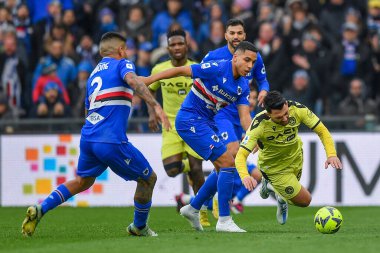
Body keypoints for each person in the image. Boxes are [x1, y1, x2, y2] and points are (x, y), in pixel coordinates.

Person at [21, 32, 170, 237]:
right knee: (148, 178)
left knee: (83, 181)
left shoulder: (93, 75)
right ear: (120, 50)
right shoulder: (123, 64)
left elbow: (87, 110)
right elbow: (134, 81)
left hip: (89, 137)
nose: (126, 53)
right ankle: (139, 227)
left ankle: (41, 208)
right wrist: (155, 105)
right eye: (125, 49)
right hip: (110, 140)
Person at [142, 41, 258, 232]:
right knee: (227, 162)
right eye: (246, 60)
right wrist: (148, 80)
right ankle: (224, 220)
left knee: (224, 165)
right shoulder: (217, 68)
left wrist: (255, 136)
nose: (249, 66)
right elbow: (179, 70)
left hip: (206, 122)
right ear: (235, 57)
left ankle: (193, 208)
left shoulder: (243, 86)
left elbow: (245, 116)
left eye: (253, 62)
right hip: (189, 120)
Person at [235, 91, 343, 225]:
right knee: (305, 201)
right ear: (268, 114)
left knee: (296, 196)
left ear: (286, 104)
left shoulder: (298, 109)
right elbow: (241, 155)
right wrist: (245, 176)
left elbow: (322, 131)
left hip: (296, 158)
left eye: (286, 114)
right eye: (279, 117)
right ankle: (273, 187)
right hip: (274, 168)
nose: (285, 119)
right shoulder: (259, 124)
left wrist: (331, 154)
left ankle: (278, 194)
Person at [201, 18, 269, 213]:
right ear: (226, 36)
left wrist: (263, 90)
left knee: (225, 164)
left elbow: (263, 80)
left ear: (244, 35)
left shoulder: (253, 56)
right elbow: (198, 82)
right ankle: (214, 204)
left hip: (243, 115)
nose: (236, 36)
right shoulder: (213, 57)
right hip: (220, 114)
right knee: (230, 155)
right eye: (232, 33)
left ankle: (200, 202)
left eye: (239, 33)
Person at [147, 30, 209, 226]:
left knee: (197, 169)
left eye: (180, 44)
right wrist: (152, 113)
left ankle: (201, 212)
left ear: (186, 46)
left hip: (194, 124)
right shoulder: (159, 69)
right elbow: (148, 90)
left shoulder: (196, 68)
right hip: (170, 125)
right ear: (167, 48)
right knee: (172, 170)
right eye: (172, 45)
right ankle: (192, 171)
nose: (176, 48)